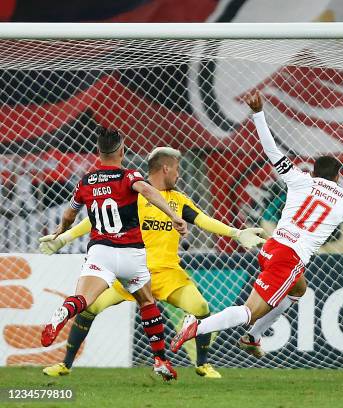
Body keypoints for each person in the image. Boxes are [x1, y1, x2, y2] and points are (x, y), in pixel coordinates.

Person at [170, 91, 343, 358]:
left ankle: (253, 337)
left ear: (315, 172)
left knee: (299, 289)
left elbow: (272, 151)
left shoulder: (300, 179)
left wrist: (258, 113)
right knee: (249, 312)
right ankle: (198, 326)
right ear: (338, 177)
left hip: (272, 247)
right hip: (289, 258)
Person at [40, 146, 265, 378]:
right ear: (165, 168)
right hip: (131, 270)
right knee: (90, 307)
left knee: (201, 308)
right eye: (177, 169)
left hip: (167, 274)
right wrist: (65, 237)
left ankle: (202, 364)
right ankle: (65, 365)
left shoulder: (178, 200)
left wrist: (236, 233)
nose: (179, 175)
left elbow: (204, 221)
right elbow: (94, 221)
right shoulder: (134, 193)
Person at [41, 128, 188, 381]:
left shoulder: (86, 181)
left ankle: (63, 313)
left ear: (99, 152)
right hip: (132, 254)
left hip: (101, 252)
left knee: (83, 299)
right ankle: (161, 360)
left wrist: (60, 232)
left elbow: (69, 214)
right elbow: (150, 192)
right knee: (147, 303)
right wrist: (174, 216)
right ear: (122, 150)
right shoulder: (129, 176)